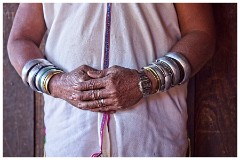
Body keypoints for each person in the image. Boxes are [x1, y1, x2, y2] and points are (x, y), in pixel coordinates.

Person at [7, 3, 215, 157]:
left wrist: (146, 81)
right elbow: (21, 39)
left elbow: (201, 33)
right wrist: (57, 83)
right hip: (68, 141)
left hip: (156, 142)